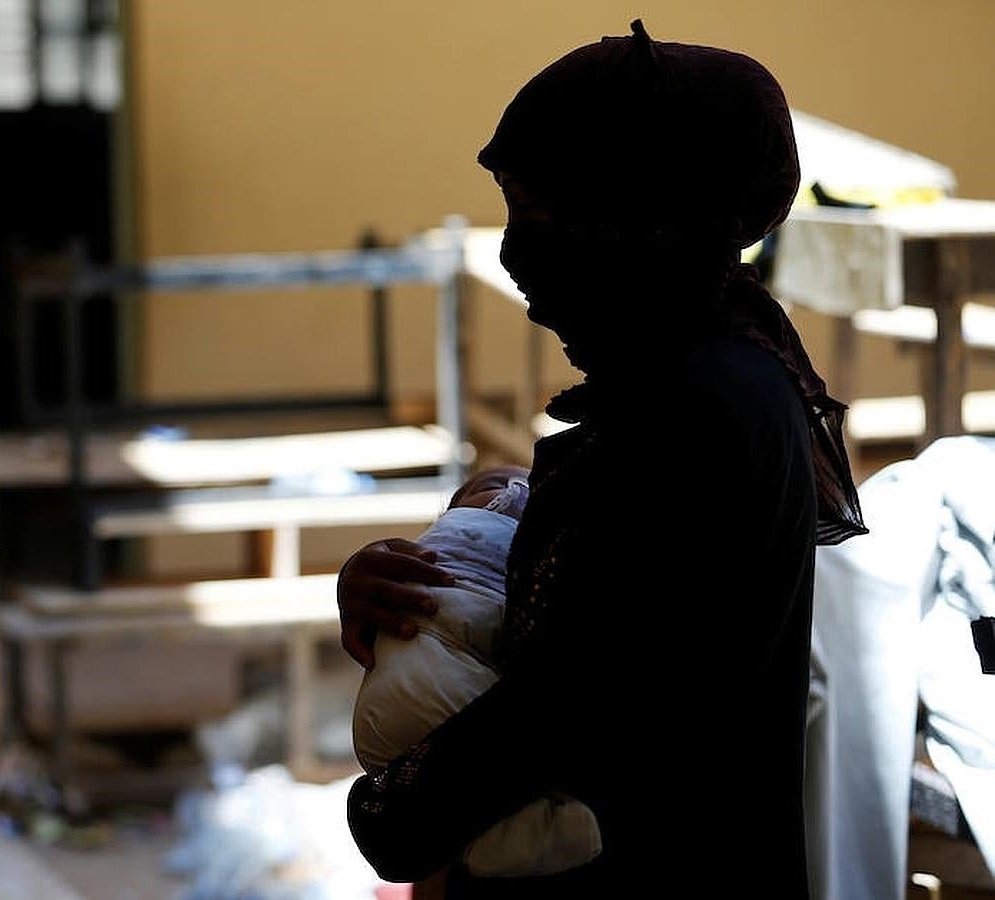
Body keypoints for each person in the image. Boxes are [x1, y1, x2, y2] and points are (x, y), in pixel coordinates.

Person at [337, 20, 866, 898]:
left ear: (644, 217)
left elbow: (577, 697)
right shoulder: (676, 387)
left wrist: (389, 812)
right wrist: (399, 590)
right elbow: (567, 618)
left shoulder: (705, 409)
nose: (514, 250)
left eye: (540, 211)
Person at [352, 466, 601, 880]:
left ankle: (500, 840)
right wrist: (365, 577)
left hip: (412, 743)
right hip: (426, 723)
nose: (514, 491)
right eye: (491, 487)